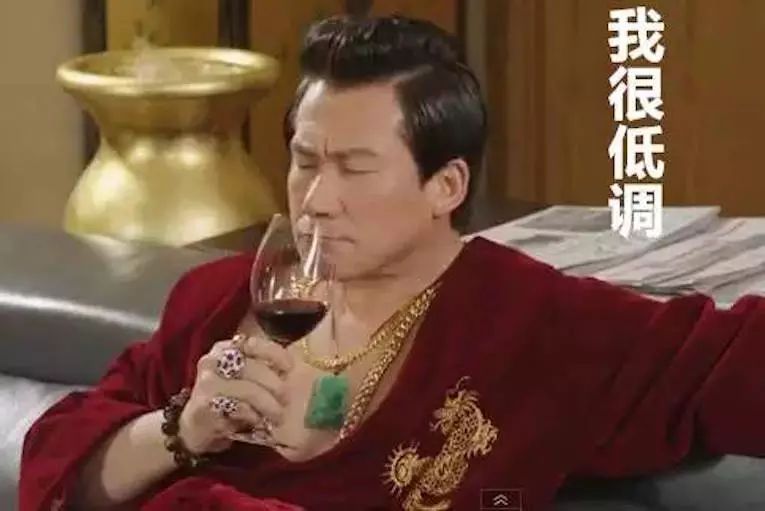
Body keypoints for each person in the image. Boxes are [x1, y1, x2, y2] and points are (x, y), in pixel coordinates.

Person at [19, 14, 765, 511]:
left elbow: (736, 363)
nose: (316, 200)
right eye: (304, 161)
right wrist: (184, 429)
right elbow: (63, 470)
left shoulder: (535, 323)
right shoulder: (217, 302)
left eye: (354, 167)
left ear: (446, 186)